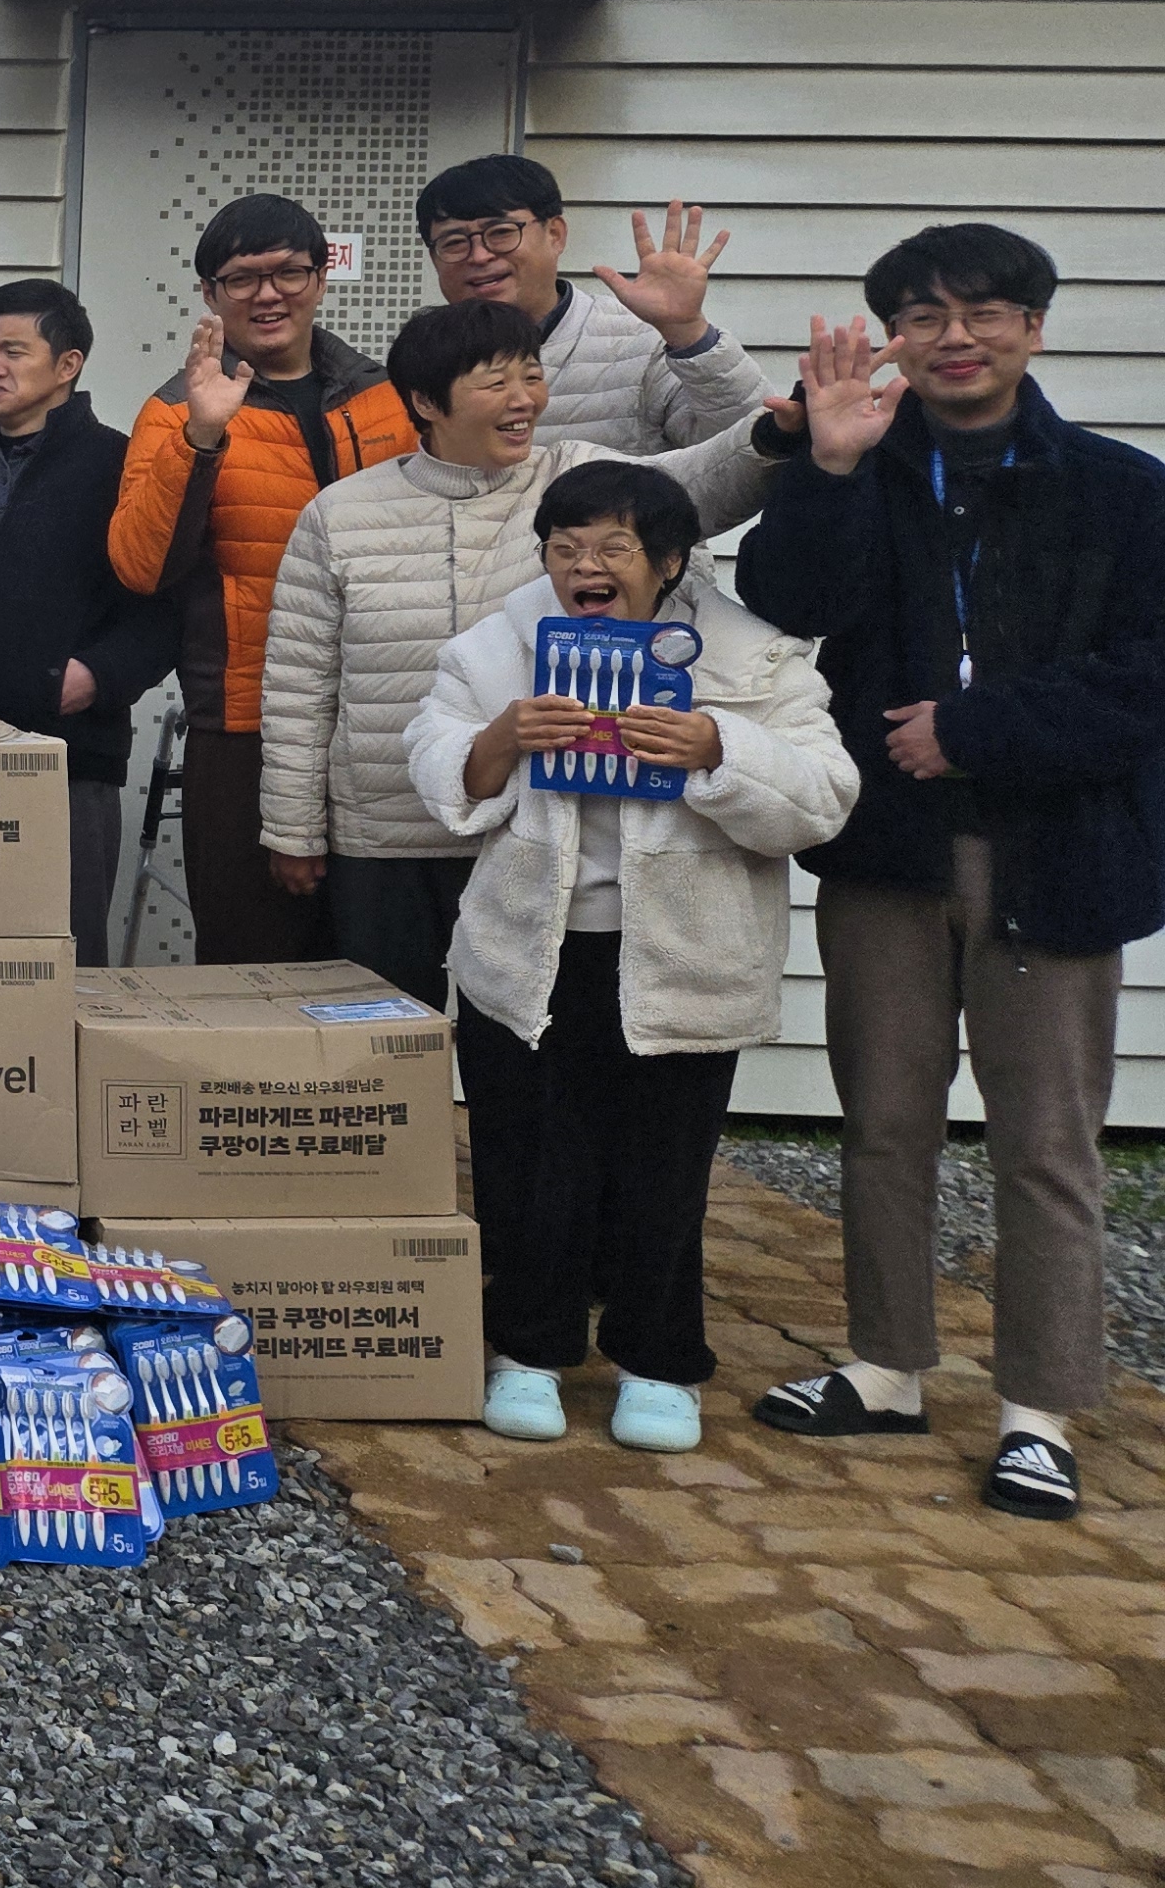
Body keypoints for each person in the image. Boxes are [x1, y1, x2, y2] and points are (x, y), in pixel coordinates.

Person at [737, 230, 1165, 1523]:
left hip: (1054, 852)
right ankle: (885, 1367)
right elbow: (787, 604)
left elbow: (1144, 680)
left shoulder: (1122, 490)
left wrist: (976, 731)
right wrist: (824, 466)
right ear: (894, 339)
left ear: (1034, 327)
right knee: (883, 1120)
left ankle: (1040, 1410)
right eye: (923, 317)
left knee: (1046, 1141)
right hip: (888, 852)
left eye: (983, 313)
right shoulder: (861, 464)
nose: (955, 338)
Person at [408, 463, 855, 1453]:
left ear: (670, 561)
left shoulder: (750, 653)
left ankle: (658, 1360)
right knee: (531, 1157)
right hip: (528, 952)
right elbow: (435, 766)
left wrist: (715, 748)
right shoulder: (498, 647)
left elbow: (825, 796)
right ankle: (528, 1349)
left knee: (664, 1166)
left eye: (613, 547)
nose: (585, 567)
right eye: (564, 548)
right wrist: (499, 740)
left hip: (685, 954)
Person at [259, 300, 774, 1004]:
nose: (524, 399)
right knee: (383, 1035)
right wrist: (293, 830)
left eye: (532, 376)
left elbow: (705, 481)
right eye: (495, 382)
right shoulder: (338, 514)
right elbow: (300, 684)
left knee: (519, 1038)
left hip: (539, 830)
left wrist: (776, 433)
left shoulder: (581, 478)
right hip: (386, 835)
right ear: (425, 402)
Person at [106, 195, 415, 964]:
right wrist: (201, 435)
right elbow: (141, 566)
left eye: (289, 273)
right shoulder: (174, 410)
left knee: (379, 959)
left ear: (321, 278)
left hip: (384, 717)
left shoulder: (386, 395)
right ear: (210, 294)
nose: (268, 294)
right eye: (242, 278)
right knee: (252, 961)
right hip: (245, 722)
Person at [0, 283, 183, 962]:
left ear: (68, 363)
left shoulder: (122, 467)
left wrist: (95, 676)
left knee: (62, 958)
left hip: (68, 756)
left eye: (13, 352)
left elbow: (163, 607)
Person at [415, 156, 764, 453]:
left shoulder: (640, 343)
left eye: (501, 233)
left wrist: (687, 331)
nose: (479, 256)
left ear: (555, 234)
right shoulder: (422, 358)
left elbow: (746, 449)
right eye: (454, 242)